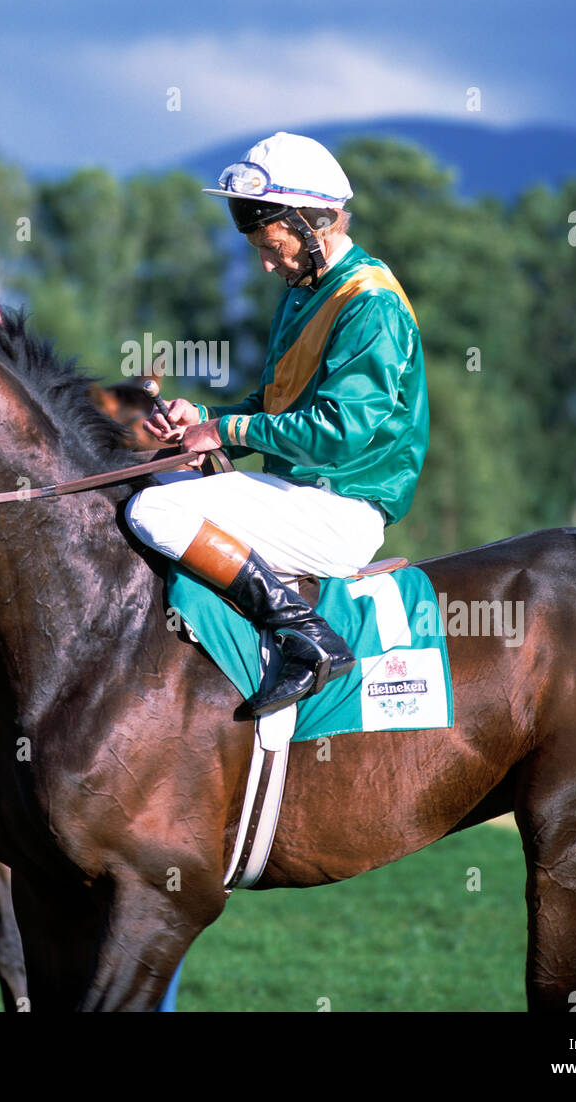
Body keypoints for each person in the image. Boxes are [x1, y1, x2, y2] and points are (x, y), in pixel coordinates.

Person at [125, 131, 429, 717]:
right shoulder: (305, 290)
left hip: (340, 509)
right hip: (295, 493)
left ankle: (306, 637)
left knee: (152, 511)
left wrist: (227, 434)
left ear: (318, 225)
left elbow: (339, 431)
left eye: (273, 245)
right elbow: (275, 408)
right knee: (140, 483)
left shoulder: (372, 304)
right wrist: (206, 420)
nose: (266, 265)